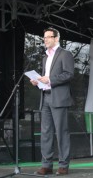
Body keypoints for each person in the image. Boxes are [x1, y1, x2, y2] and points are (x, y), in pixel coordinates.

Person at [30, 27, 74, 176]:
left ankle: (63, 165)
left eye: (49, 37)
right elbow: (46, 78)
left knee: (61, 132)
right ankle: (47, 165)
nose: (46, 39)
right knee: (46, 133)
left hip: (59, 98)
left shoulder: (65, 54)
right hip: (46, 97)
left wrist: (50, 79)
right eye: (44, 37)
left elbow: (69, 74)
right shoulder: (45, 58)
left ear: (56, 39)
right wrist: (38, 81)